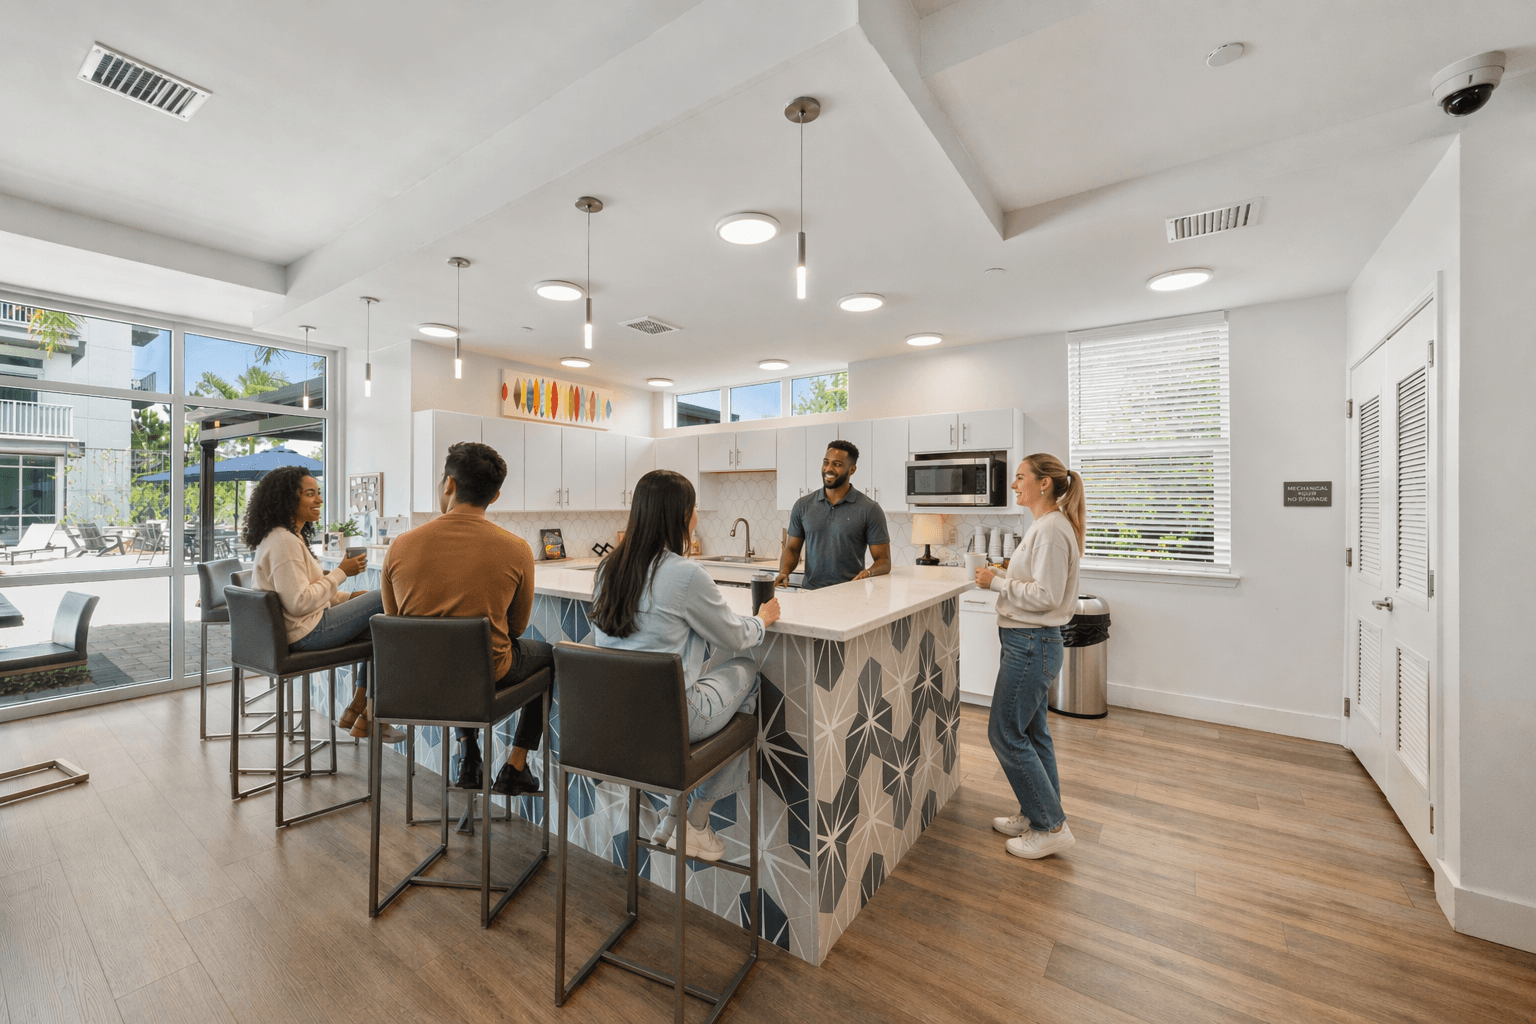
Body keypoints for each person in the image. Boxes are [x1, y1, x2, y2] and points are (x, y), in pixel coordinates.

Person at [590, 469, 781, 861]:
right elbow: (734, 637)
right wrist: (763, 619)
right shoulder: (685, 573)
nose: (697, 517)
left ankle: (676, 815)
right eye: (693, 509)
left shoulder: (608, 569)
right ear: (681, 516)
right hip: (673, 721)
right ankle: (696, 819)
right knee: (747, 672)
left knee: (705, 677)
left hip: (610, 723)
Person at [381, 442, 547, 796]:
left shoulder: (400, 546)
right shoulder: (518, 549)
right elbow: (515, 629)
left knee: (455, 656)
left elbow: (394, 625)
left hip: (416, 680)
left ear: (449, 485)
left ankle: (468, 753)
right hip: (486, 677)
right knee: (549, 657)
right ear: (496, 495)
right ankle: (516, 764)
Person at [975, 453, 1085, 860]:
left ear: (1044, 484)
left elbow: (1047, 596)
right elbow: (1040, 583)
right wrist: (1006, 576)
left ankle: (1050, 826)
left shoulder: (1052, 528)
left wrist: (997, 582)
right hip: (1028, 642)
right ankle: (1037, 812)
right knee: (1033, 734)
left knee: (1004, 732)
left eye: (1021, 477)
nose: (1014, 484)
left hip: (1031, 643)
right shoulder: (1045, 525)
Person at [243, 466, 402, 743]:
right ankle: (369, 713)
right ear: (288, 499)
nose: (319, 500)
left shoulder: (286, 538)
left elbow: (304, 592)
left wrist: (349, 598)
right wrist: (342, 573)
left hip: (303, 628)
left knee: (383, 627)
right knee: (384, 598)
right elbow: (299, 602)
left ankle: (361, 710)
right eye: (310, 494)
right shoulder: (284, 541)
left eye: (318, 494)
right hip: (307, 633)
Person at [775, 440, 891, 591]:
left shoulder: (870, 509)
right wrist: (784, 572)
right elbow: (792, 549)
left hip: (850, 596)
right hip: (810, 594)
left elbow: (883, 561)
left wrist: (869, 572)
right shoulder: (803, 505)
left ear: (852, 470)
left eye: (837, 464)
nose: (828, 468)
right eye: (826, 462)